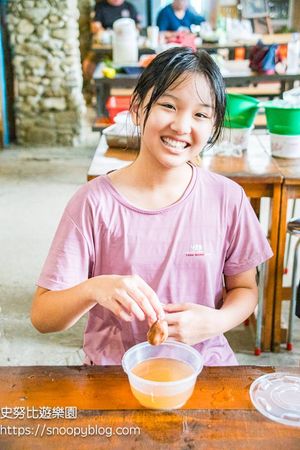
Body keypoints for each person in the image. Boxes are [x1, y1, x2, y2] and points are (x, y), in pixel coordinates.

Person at [31, 47, 273, 366]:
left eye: (200, 114)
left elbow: (245, 289)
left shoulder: (227, 198)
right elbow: (43, 317)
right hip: (116, 374)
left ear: (213, 127)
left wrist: (216, 322)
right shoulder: (92, 203)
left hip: (205, 369)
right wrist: (94, 288)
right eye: (168, 105)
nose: (182, 126)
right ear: (137, 108)